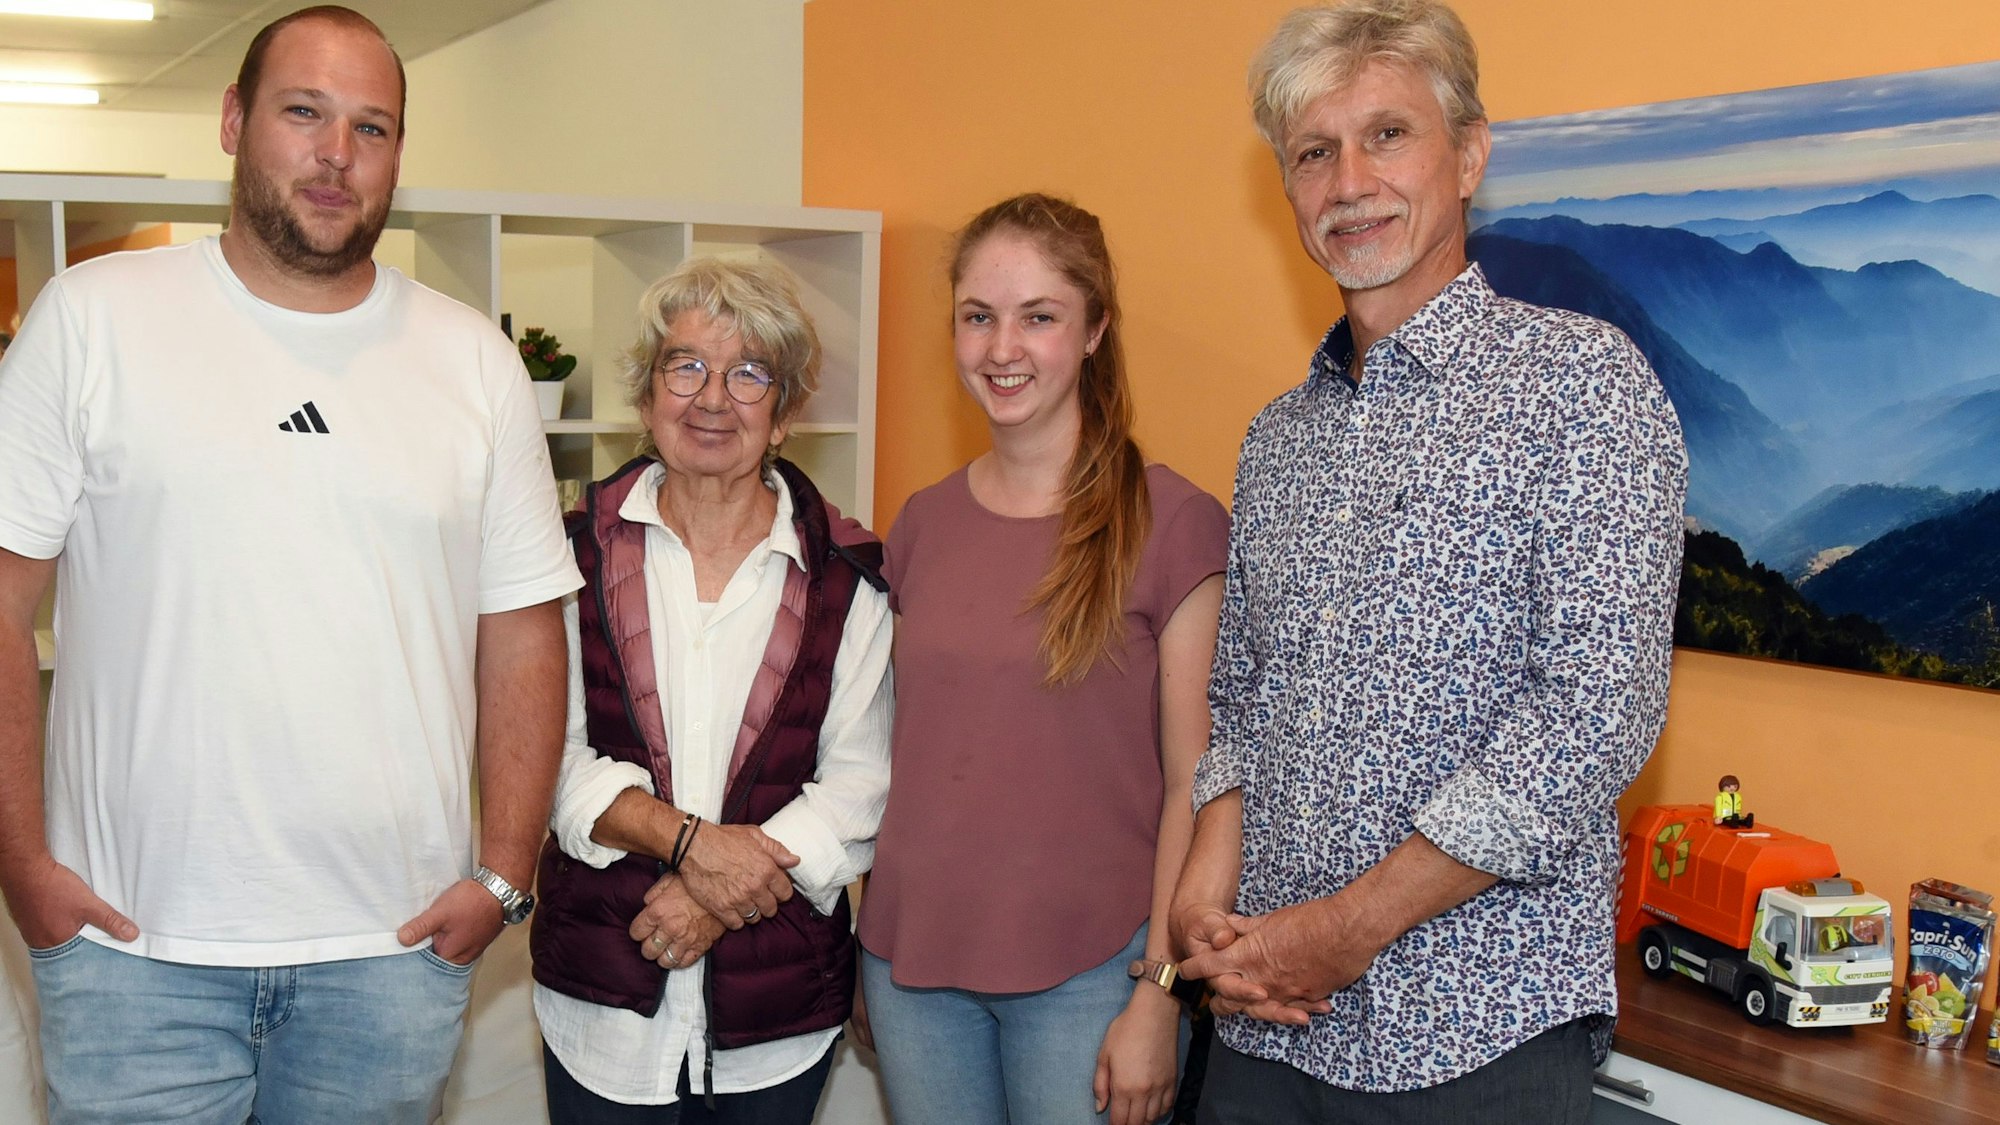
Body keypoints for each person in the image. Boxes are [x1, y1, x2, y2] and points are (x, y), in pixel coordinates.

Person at [0, 7, 578, 1122]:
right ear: (233, 122)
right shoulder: (92, 321)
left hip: (391, 955)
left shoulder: (472, 361)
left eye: (372, 127)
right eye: (303, 112)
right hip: (133, 952)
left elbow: (519, 627)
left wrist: (506, 873)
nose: (336, 155)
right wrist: (22, 863)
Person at [1170, 3, 1688, 1122]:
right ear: (1288, 190)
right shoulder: (1279, 436)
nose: (1348, 180)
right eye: (1313, 151)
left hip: (1474, 1033)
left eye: (1387, 135)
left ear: (1468, 155)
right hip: (1265, 1018)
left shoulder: (1581, 389)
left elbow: (1592, 715)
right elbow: (1245, 698)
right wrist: (1205, 893)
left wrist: (1350, 927)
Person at [858, 193, 1230, 1125]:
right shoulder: (921, 523)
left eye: (1039, 317)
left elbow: (1198, 778)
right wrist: (864, 942)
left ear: (1096, 329)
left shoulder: (1174, 524)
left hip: (1095, 973)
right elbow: (884, 754)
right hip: (912, 966)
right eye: (978, 317)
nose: (1001, 348)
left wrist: (1160, 992)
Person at [529, 256, 893, 1124]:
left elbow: (858, 786)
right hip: (602, 1000)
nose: (712, 398)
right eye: (685, 366)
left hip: (776, 1018)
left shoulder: (847, 575)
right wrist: (691, 844)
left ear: (786, 412)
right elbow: (545, 752)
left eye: (749, 373)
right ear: (647, 395)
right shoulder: (569, 554)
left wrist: (709, 895)